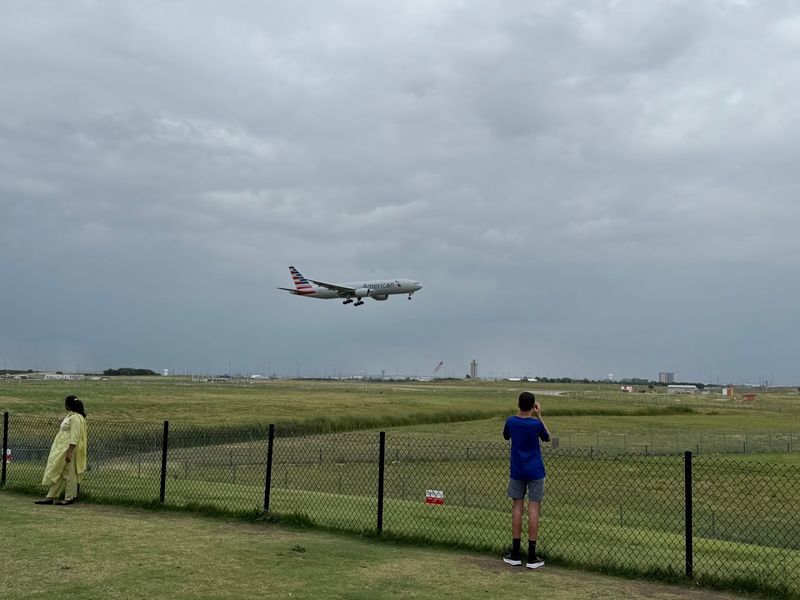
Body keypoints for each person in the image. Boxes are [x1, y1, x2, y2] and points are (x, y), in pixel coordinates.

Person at [502, 391, 550, 569]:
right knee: (534, 510)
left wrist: (518, 414)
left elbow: (506, 436)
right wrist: (539, 415)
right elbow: (547, 437)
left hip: (517, 470)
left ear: (518, 404)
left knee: (517, 508)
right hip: (535, 471)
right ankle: (531, 556)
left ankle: (515, 553)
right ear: (532, 406)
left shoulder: (511, 421)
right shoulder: (535, 424)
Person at [34, 395, 88, 506]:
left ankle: (69, 497)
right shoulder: (71, 416)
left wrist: (70, 451)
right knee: (59, 472)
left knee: (69, 474)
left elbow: (75, 435)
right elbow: (67, 429)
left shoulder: (75, 418)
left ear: (69, 405)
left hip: (68, 449)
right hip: (61, 448)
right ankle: (50, 496)